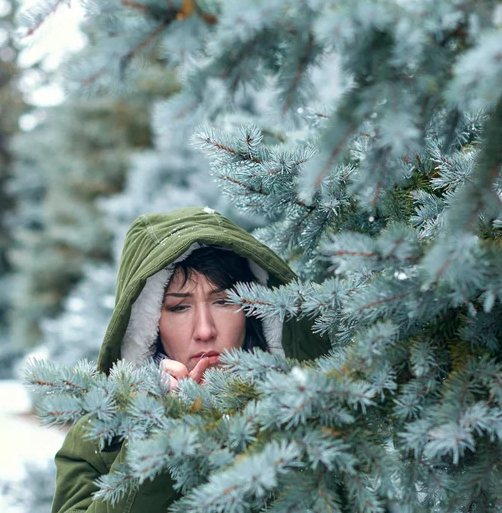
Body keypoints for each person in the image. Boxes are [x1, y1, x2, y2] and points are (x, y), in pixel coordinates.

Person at [51, 206, 330, 513]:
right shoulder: (99, 438)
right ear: (148, 325)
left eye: (223, 301)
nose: (205, 330)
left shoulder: (319, 411)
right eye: (180, 307)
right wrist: (160, 437)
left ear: (252, 310)